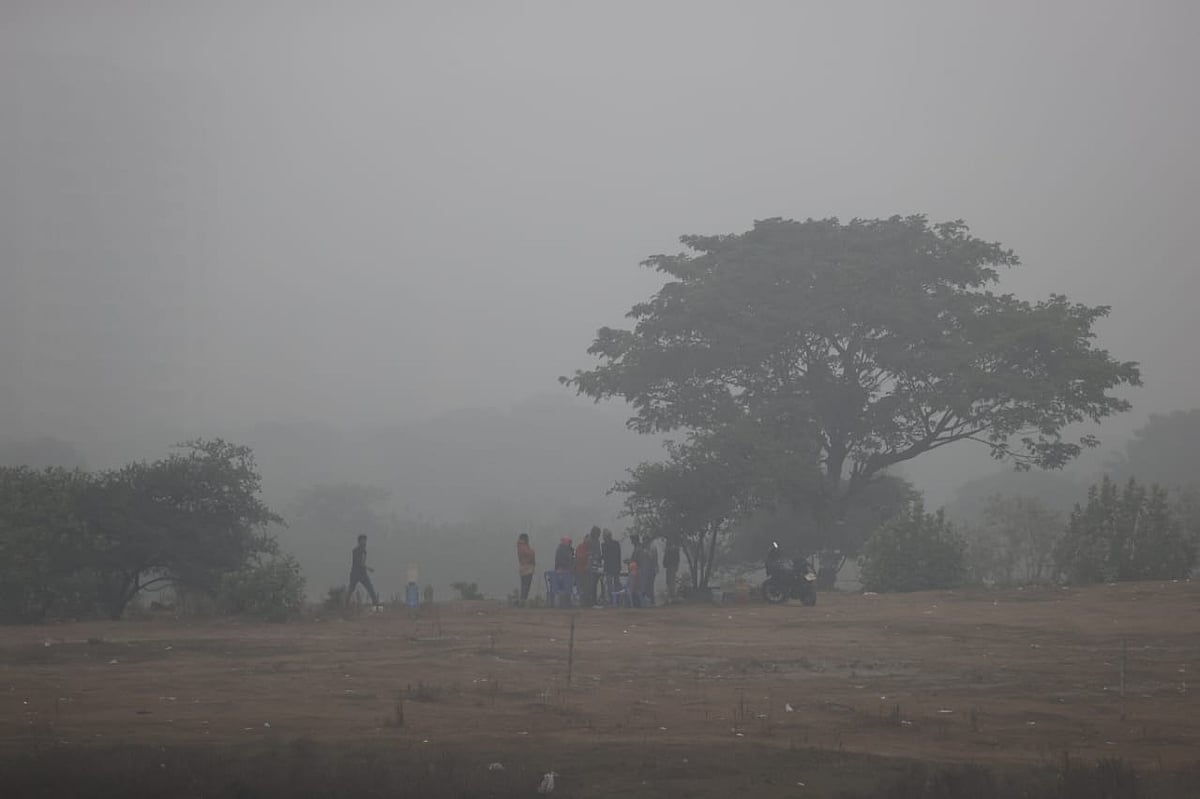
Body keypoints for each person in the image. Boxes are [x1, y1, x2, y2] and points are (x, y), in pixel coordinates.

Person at [348, 534, 380, 607]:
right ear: (359, 542)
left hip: (363, 574)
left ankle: (376, 606)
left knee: (370, 589)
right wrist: (368, 568)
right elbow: (358, 562)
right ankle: (345, 605)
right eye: (363, 541)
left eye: (365, 541)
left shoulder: (364, 551)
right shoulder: (355, 551)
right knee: (350, 590)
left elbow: (362, 562)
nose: (365, 542)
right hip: (355, 574)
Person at [551, 536, 575, 608]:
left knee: (566, 587)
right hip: (563, 572)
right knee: (566, 587)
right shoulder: (563, 550)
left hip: (562, 572)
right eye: (569, 543)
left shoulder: (562, 549)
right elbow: (564, 561)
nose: (570, 544)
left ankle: (564, 603)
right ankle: (565, 603)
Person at [601, 529, 621, 601]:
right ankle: (612, 599)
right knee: (610, 585)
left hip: (614, 567)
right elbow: (604, 556)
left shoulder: (615, 544)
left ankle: (617, 599)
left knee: (616, 584)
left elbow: (618, 556)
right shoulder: (604, 545)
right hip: (609, 567)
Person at [516, 533, 536, 606]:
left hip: (522, 567)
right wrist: (532, 551)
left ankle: (522, 600)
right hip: (527, 568)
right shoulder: (523, 546)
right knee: (526, 585)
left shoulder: (519, 546)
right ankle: (523, 601)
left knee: (524, 585)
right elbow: (529, 554)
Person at [587, 527, 604, 606]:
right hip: (591, 566)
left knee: (595, 584)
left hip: (597, 566)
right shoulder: (590, 541)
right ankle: (591, 600)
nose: (599, 535)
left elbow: (599, 553)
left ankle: (594, 600)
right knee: (591, 584)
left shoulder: (597, 541)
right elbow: (589, 554)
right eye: (598, 533)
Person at [574, 531, 592, 605]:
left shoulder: (589, 547)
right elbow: (578, 557)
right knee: (579, 587)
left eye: (589, 540)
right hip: (580, 570)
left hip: (587, 571)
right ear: (585, 539)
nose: (588, 541)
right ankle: (579, 602)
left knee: (586, 587)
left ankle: (585, 602)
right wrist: (586, 555)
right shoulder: (580, 547)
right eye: (587, 540)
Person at [642, 537, 660, 606]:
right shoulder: (648, 547)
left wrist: (646, 552)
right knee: (648, 585)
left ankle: (651, 601)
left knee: (650, 585)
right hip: (648, 569)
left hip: (652, 569)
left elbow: (652, 557)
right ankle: (649, 601)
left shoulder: (652, 547)